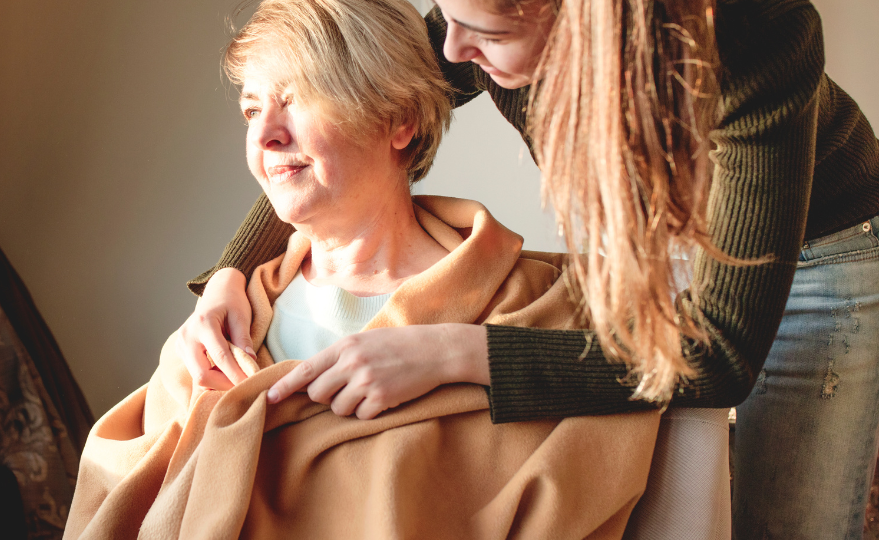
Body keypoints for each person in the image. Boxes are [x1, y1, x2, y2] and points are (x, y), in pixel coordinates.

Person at [179, 0, 879, 537]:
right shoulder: (475, 22)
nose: (452, 52)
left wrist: (451, 353)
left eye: (484, 34)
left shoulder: (760, 34)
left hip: (827, 256)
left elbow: (720, 355)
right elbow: (367, 108)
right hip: (668, 245)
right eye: (447, 18)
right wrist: (230, 273)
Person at [65, 1, 674, 537]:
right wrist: (228, 273)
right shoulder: (219, 332)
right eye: (252, 110)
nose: (267, 136)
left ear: (398, 120)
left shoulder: (534, 312)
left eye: (298, 97)